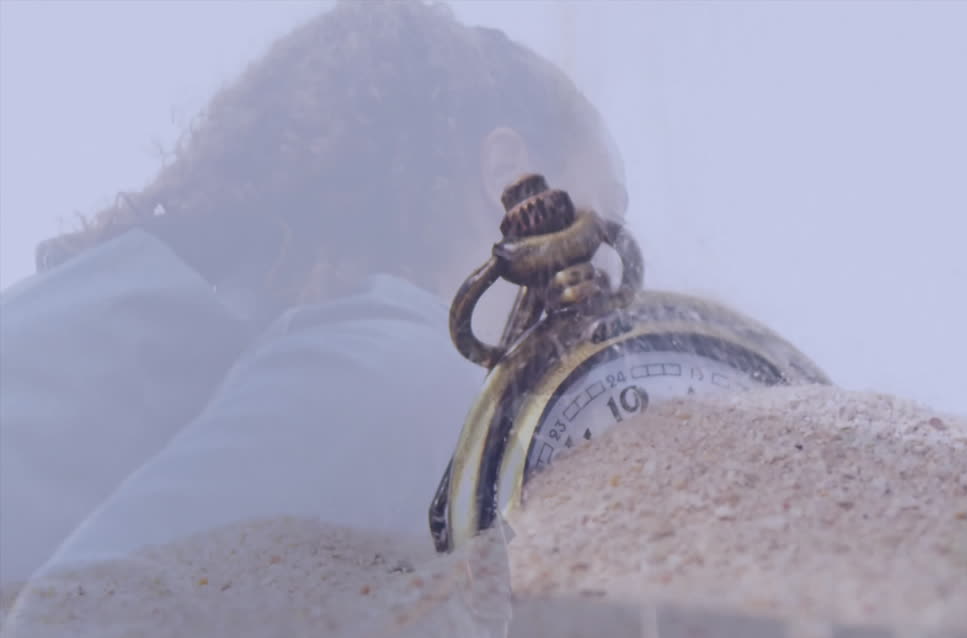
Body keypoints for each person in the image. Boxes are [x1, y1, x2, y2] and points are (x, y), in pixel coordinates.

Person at [0, 0, 628, 584]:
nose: (612, 274)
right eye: (605, 214)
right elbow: (73, 636)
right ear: (510, 177)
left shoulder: (182, 304)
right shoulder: (402, 370)